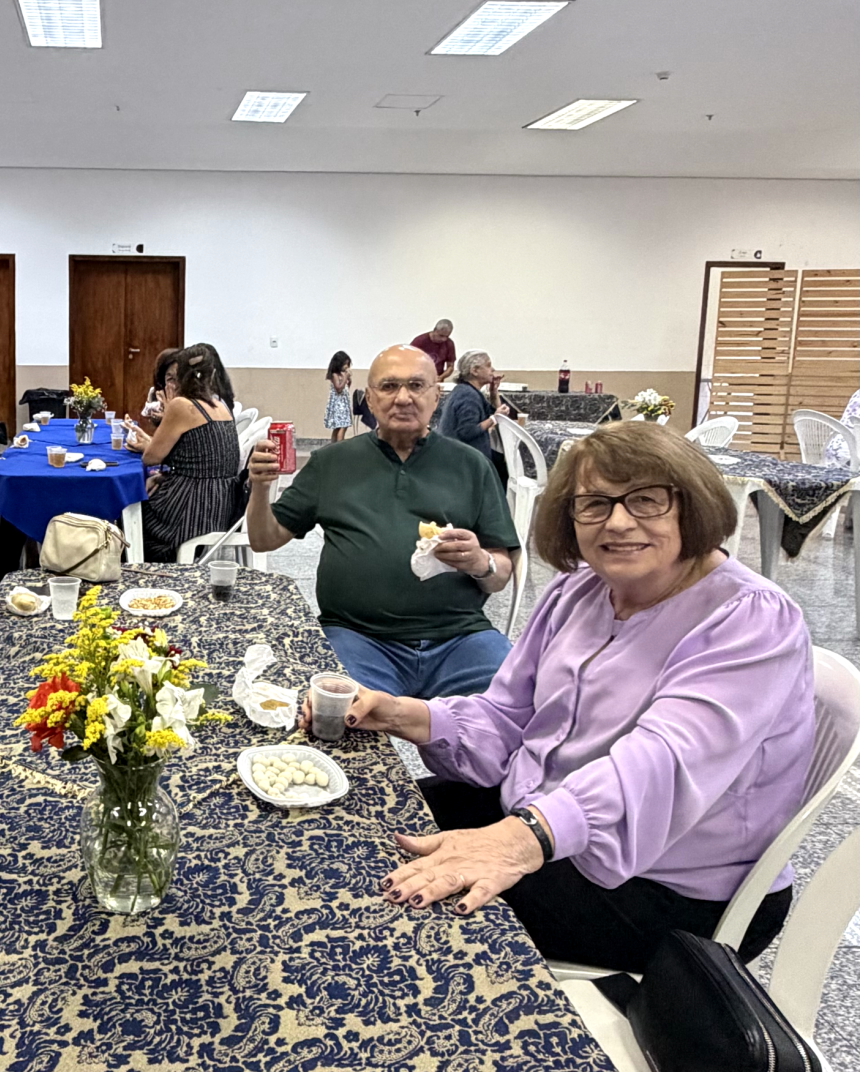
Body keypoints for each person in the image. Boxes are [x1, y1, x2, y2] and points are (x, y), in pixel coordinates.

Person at [334, 424, 812, 969]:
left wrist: (517, 841)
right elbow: (508, 715)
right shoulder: (579, 589)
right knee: (354, 824)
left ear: (694, 505)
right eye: (594, 504)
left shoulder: (749, 620)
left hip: (670, 888)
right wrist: (402, 713)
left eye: (647, 500)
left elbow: (658, 766)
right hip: (547, 815)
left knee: (396, 916)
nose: (619, 522)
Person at [246, 346, 519, 695]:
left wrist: (481, 562)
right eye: (389, 386)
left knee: (518, 702)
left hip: (459, 638)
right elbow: (264, 539)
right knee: (338, 712)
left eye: (416, 385)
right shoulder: (332, 463)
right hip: (357, 638)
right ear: (370, 400)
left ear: (436, 396)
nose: (403, 398)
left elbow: (501, 574)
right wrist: (260, 487)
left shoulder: (471, 465)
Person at [128, 343, 245, 561]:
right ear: (212, 375)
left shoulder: (182, 405)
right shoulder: (220, 404)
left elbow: (150, 458)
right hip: (222, 505)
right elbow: (200, 459)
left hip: (192, 510)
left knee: (129, 509)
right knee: (152, 486)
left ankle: (132, 564)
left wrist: (167, 413)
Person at [438, 351, 510, 487]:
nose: (492, 370)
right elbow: (467, 431)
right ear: (475, 371)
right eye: (488, 365)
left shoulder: (469, 391)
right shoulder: (467, 396)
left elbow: (493, 412)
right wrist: (494, 418)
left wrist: (494, 392)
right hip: (461, 460)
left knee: (502, 464)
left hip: (464, 455)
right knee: (504, 470)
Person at [324, 353, 353, 442]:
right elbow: (338, 388)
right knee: (342, 427)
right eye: (345, 364)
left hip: (343, 404)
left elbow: (345, 387)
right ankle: (339, 445)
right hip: (338, 405)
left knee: (339, 427)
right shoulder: (335, 375)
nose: (346, 366)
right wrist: (345, 378)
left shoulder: (342, 374)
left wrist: (348, 380)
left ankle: (334, 445)